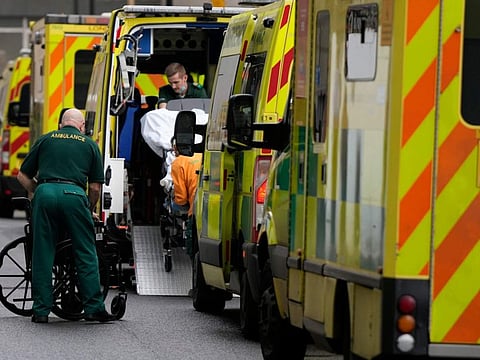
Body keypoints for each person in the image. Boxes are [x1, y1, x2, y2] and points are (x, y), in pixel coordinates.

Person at [17, 108, 116, 324]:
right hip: (74, 195)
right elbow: (96, 188)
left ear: (61, 125)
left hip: (45, 192)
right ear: (82, 127)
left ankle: (41, 310)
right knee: (85, 252)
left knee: (42, 253)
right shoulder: (89, 144)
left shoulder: (45, 140)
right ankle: (93, 307)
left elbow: (22, 175)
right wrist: (88, 208)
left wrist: (39, 192)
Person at [170, 137, 202, 257]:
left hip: (194, 209)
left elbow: (181, 198)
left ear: (175, 148)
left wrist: (173, 200)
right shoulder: (202, 157)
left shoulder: (178, 163)